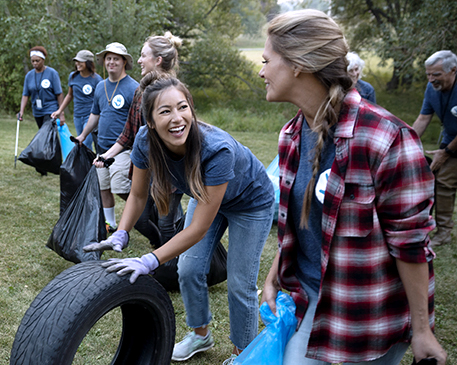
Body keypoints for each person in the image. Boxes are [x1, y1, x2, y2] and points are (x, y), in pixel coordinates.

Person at [259, 9, 447, 365]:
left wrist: (422, 331)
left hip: (369, 319)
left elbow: (410, 243)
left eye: (267, 60)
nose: (261, 71)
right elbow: (299, 223)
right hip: (310, 300)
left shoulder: (386, 138)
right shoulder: (290, 137)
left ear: (298, 64)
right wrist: (273, 276)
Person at [84, 74, 275, 365]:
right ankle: (201, 334)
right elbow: (136, 196)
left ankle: (243, 354)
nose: (177, 118)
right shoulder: (145, 141)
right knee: (187, 269)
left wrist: (150, 260)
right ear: (149, 120)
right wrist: (121, 233)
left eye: (182, 107)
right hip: (206, 192)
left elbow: (198, 229)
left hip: (250, 201)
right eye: (165, 111)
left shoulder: (215, 149)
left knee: (240, 282)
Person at [94, 32, 183, 245]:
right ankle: (160, 250)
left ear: (158, 60)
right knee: (140, 220)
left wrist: (171, 174)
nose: (140, 60)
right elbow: (129, 133)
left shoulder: (173, 93)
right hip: (145, 168)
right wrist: (106, 156)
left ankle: (169, 268)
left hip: (169, 171)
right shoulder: (140, 91)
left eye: (143, 56)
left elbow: (180, 138)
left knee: (165, 223)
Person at [75, 42, 139, 231]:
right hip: (101, 148)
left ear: (124, 62)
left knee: (120, 187)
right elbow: (95, 114)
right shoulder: (100, 86)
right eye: (108, 58)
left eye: (116, 59)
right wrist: (83, 135)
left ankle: (142, 210)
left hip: (123, 148)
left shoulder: (133, 88)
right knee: (104, 187)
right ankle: (110, 223)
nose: (111, 62)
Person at [412, 50, 457, 247]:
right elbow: (423, 119)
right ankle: (444, 231)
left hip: (451, 144)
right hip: (450, 138)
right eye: (428, 74)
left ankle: (444, 231)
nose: (431, 79)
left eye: (436, 74)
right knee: (441, 180)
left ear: (453, 70)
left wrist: (446, 153)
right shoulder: (432, 89)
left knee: (445, 179)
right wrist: (406, 143)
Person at [51, 50, 103, 150]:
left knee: (86, 143)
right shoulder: (73, 76)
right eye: (76, 61)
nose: (77, 64)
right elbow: (70, 95)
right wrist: (59, 110)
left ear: (88, 63)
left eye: (80, 61)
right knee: (81, 143)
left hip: (90, 115)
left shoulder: (97, 79)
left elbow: (101, 100)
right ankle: (86, 164)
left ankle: (88, 165)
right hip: (78, 116)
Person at [18, 46, 65, 129]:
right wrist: (21, 111)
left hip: (51, 110)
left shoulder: (52, 73)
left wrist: (61, 113)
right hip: (37, 111)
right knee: (45, 135)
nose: (35, 63)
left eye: (37, 61)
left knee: (46, 134)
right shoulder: (29, 75)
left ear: (43, 60)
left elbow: (59, 94)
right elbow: (25, 95)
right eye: (32, 61)